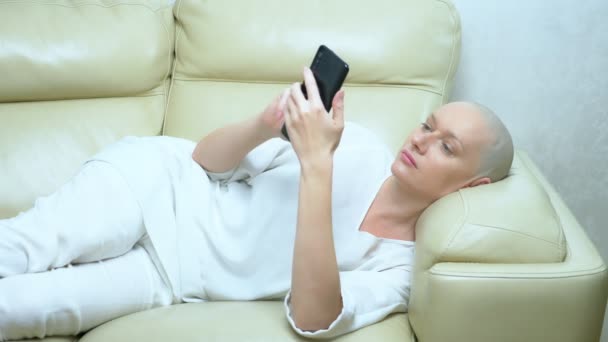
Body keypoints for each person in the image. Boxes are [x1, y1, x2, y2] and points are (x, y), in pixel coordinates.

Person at [0, 67, 513, 340]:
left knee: (22, 309)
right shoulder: (357, 142)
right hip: (158, 185)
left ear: (472, 186)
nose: (422, 141)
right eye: (429, 125)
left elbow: (314, 319)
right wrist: (267, 124)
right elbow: (203, 161)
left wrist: (318, 166)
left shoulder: (401, 267)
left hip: (173, 281)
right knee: (21, 250)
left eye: (448, 147)